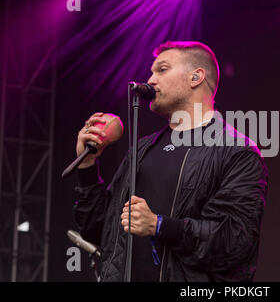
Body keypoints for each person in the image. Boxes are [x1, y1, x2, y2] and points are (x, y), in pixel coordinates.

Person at [73, 41, 269, 282]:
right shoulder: (142, 149)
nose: (151, 80)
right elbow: (99, 230)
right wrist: (87, 166)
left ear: (196, 77)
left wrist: (158, 225)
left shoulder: (237, 152)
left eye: (162, 70)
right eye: (152, 72)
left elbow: (233, 241)